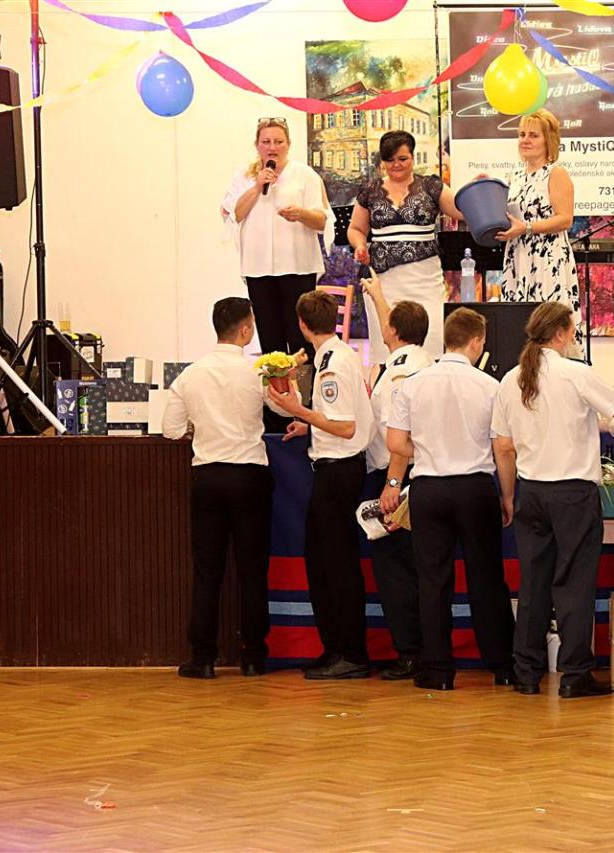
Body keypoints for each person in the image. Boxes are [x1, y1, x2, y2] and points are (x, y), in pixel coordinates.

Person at [491, 302, 614, 697]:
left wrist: (508, 496)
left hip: (531, 491)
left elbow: (503, 447)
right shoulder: (575, 373)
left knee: (533, 583)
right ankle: (575, 674)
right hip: (573, 493)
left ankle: (526, 671)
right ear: (560, 333)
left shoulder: (510, 379)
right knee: (574, 583)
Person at [385, 308, 517, 690]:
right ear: (475, 341)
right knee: (486, 578)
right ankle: (502, 665)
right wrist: (507, 496)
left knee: (432, 581)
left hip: (429, 487)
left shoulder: (413, 384)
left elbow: (395, 442)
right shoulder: (489, 386)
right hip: (475, 487)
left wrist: (428, 448)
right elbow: (503, 448)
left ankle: (438, 670)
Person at [163, 297, 275, 679]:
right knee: (252, 571)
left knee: (208, 571)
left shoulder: (190, 375)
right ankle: (253, 656)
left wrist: (198, 427)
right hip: (249, 476)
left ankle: (203, 658)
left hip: (208, 477)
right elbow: (285, 408)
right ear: (245, 330)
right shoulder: (257, 372)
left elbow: (171, 430)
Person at [266, 290, 375, 680]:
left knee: (336, 565)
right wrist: (308, 424)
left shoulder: (332, 364)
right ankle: (336, 648)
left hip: (338, 471)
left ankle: (351, 653)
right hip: (335, 469)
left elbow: (345, 427)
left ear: (302, 324)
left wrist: (298, 410)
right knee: (323, 562)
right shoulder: (337, 355)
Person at [359, 278, 434, 681]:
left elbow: (398, 438)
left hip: (398, 479)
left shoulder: (397, 376)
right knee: (422, 568)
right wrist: (379, 296)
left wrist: (391, 486)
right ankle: (426, 650)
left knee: (396, 571)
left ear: (393, 331)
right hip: (424, 477)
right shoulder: (426, 364)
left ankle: (410, 651)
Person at [221, 117, 332, 374]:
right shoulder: (243, 176)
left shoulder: (304, 175)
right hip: (258, 269)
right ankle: (276, 395)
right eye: (266, 142)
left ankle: (305, 393)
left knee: (301, 338)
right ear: (257, 145)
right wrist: (257, 186)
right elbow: (235, 214)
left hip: (298, 267)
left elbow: (321, 220)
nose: (272, 147)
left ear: (288, 144)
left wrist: (301, 214)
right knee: (270, 341)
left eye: (278, 142)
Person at [349, 130, 462, 361]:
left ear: (412, 156)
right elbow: (356, 229)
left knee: (431, 342)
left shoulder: (432, 186)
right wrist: (360, 246)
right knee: (386, 348)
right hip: (383, 283)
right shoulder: (370, 190)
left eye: (402, 158)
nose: (396, 165)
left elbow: (462, 211)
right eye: (390, 160)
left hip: (425, 279)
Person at [496, 110, 581, 332]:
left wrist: (527, 227)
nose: (525, 140)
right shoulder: (514, 174)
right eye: (522, 134)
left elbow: (565, 219)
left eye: (533, 135)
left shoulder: (556, 173)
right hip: (518, 254)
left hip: (547, 257)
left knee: (550, 325)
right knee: (518, 324)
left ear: (548, 140)